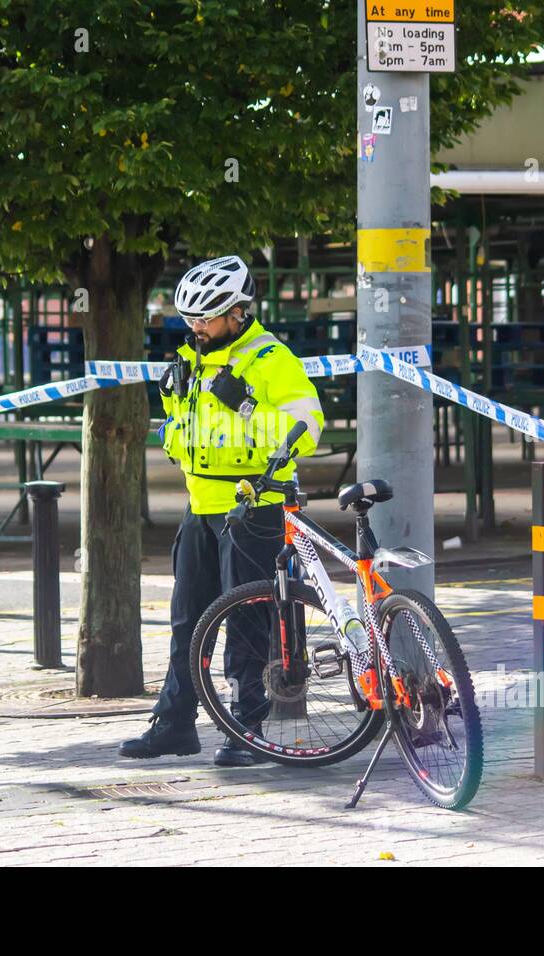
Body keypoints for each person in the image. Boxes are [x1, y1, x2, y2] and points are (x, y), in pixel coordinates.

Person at [119, 255, 325, 766]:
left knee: (246, 622)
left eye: (205, 318)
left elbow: (308, 431)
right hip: (201, 505)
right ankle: (174, 724)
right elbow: (181, 431)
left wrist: (248, 407)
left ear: (237, 312)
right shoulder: (191, 359)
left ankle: (245, 729)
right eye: (189, 319)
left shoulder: (271, 358)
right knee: (187, 620)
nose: (195, 327)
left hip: (254, 506)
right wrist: (173, 424)